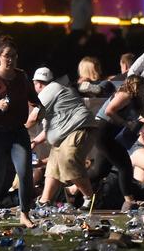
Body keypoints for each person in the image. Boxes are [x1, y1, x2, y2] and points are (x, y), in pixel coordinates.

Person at [0, 36, 43, 231]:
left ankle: (24, 214)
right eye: (7, 56)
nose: (10, 60)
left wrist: (41, 107)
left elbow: (33, 97)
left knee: (25, 173)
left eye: (13, 56)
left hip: (17, 132)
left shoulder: (21, 76)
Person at [26, 67, 97, 208]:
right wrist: (35, 141)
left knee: (67, 162)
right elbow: (50, 128)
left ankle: (89, 197)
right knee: (53, 168)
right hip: (68, 133)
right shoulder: (55, 93)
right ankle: (44, 201)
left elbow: (33, 118)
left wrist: (18, 130)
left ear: (38, 83)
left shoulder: (49, 90)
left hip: (78, 129)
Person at [89, 75, 144, 211]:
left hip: (112, 134)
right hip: (103, 131)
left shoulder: (138, 100)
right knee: (124, 165)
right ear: (135, 86)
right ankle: (129, 201)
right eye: (143, 87)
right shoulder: (124, 95)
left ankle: (73, 187)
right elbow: (109, 111)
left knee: (100, 171)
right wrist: (125, 123)